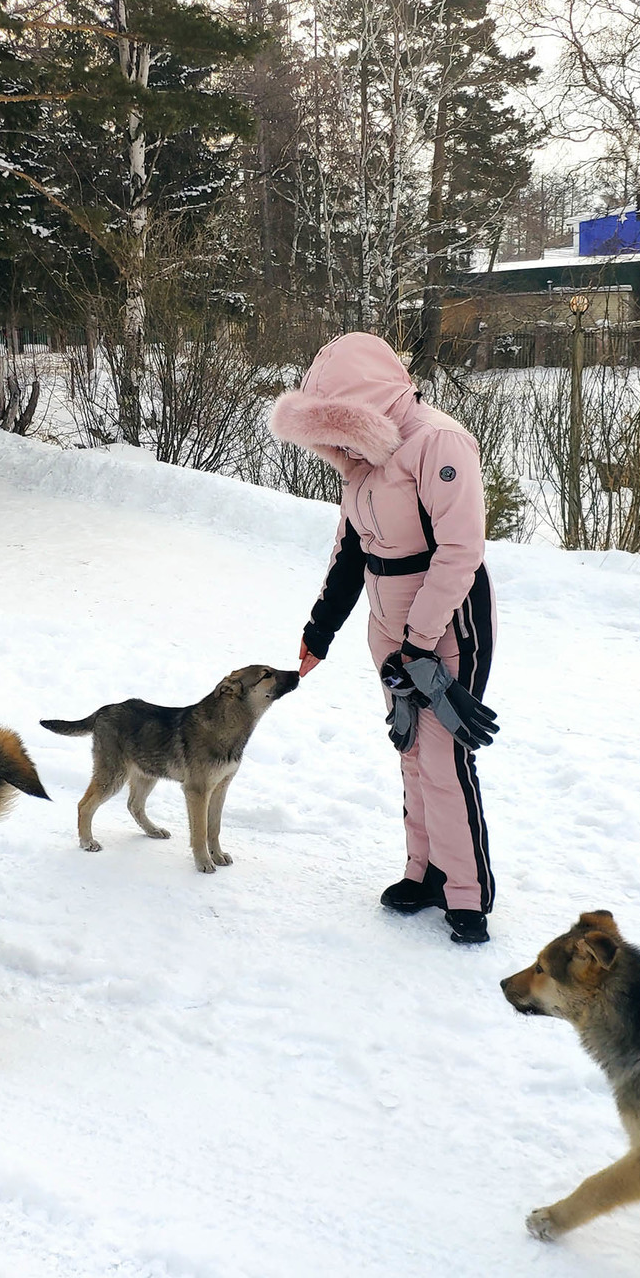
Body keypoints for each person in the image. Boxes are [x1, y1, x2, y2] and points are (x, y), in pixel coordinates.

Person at [269, 333, 500, 944]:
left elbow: (461, 552)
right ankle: (423, 873)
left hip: (449, 619)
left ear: (364, 405)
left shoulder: (438, 442)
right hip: (387, 623)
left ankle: (467, 893)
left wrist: (421, 642)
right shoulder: (362, 463)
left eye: (338, 426)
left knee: (446, 754)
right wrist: (320, 629)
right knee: (411, 747)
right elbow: (350, 553)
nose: (335, 445)